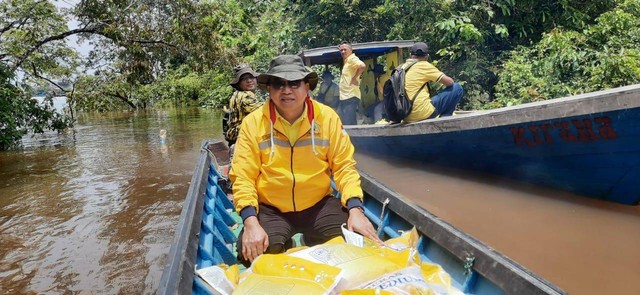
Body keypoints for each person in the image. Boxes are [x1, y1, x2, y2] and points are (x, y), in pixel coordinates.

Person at [229, 55, 382, 265]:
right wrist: (250, 222)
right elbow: (243, 176)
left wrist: (356, 210)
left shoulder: (327, 118)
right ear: (269, 89)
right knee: (252, 254)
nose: (286, 90)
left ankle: (314, 237)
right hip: (272, 208)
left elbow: (344, 167)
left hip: (318, 205)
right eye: (279, 84)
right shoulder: (253, 123)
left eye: (294, 83)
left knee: (359, 244)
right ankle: (286, 243)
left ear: (306, 87)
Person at [402, 42, 463, 123]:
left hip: (404, 115)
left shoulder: (401, 68)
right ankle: (445, 119)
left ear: (410, 55)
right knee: (456, 87)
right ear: (427, 56)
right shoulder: (423, 65)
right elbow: (450, 82)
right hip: (422, 113)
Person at [224, 63, 263, 147]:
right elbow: (264, 113)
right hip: (240, 136)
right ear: (238, 83)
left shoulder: (236, 94)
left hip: (234, 134)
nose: (249, 80)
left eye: (251, 77)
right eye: (244, 79)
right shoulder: (246, 96)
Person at [337, 41, 366, 125]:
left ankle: (353, 138)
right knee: (346, 120)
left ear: (351, 50)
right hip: (346, 96)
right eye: (341, 50)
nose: (343, 52)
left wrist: (354, 78)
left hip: (351, 95)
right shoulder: (347, 60)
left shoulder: (352, 59)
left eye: (345, 49)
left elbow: (362, 66)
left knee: (349, 122)